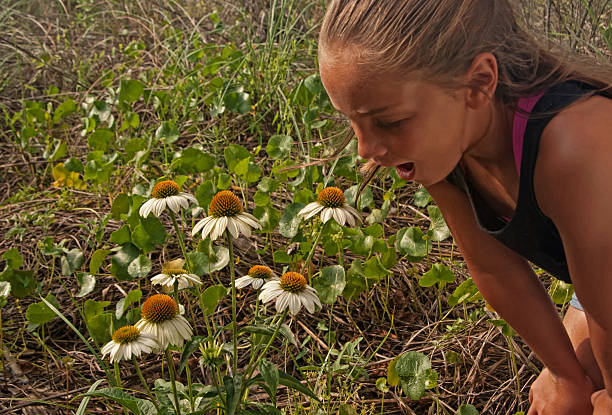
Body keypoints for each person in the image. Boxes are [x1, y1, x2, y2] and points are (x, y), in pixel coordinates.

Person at [317, 1, 612, 414]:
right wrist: (566, 377)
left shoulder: (574, 146)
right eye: (352, 121)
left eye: (390, 121)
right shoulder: (446, 151)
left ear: (479, 83)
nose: (367, 149)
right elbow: (497, 269)